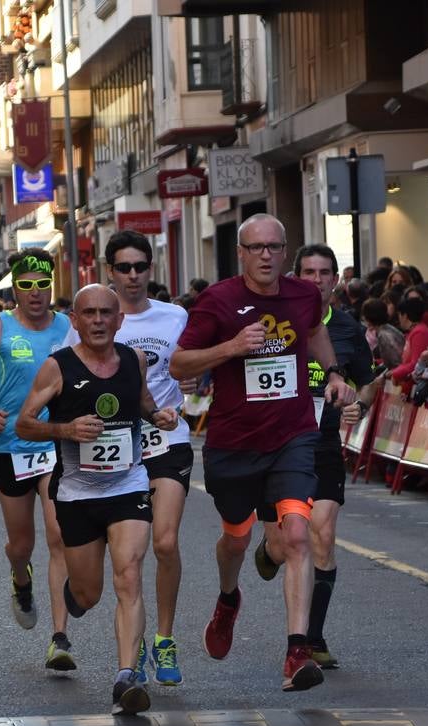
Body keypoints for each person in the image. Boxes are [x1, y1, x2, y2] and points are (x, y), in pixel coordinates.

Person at [169, 214, 355, 692]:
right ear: (242, 252)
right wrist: (231, 346)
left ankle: (296, 651)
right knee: (235, 538)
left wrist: (333, 373)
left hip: (293, 436)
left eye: (275, 246)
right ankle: (228, 598)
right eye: (257, 248)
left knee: (296, 535)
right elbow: (180, 362)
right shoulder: (218, 300)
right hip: (233, 443)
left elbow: (313, 333)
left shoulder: (303, 294)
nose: (267, 255)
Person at [16, 284, 178, 713]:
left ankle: (126, 676)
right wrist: (66, 431)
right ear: (76, 320)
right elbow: (24, 424)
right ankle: (75, 596)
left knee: (129, 574)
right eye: (89, 313)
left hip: (128, 486)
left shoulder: (134, 359)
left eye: (107, 313)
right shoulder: (57, 367)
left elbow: (143, 402)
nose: (99, 320)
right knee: (88, 594)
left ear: (120, 320)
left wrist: (159, 415)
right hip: (76, 494)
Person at [0, 250, 76, 670]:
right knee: (22, 544)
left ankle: (60, 638)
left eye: (43, 285)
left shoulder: (67, 326)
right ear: (14, 287)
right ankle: (21, 578)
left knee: (59, 535)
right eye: (27, 285)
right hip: (11, 447)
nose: (36, 293)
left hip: (56, 443)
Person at [88, 230, 195, 684]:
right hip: (116, 447)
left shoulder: (175, 316)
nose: (133, 276)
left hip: (168, 438)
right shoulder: (100, 318)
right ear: (109, 270)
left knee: (165, 542)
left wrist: (192, 384)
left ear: (152, 269)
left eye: (141, 267)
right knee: (121, 562)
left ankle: (164, 641)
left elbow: (190, 363)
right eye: (124, 267)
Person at [293, 244, 375, 669]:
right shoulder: (276, 323)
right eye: (308, 272)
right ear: (297, 277)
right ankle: (270, 551)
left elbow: (367, 382)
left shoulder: (347, 329)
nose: (317, 280)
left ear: (335, 280)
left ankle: (313, 636)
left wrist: (359, 403)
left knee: (321, 535)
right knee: (285, 541)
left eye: (325, 273)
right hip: (281, 447)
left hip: (324, 446)